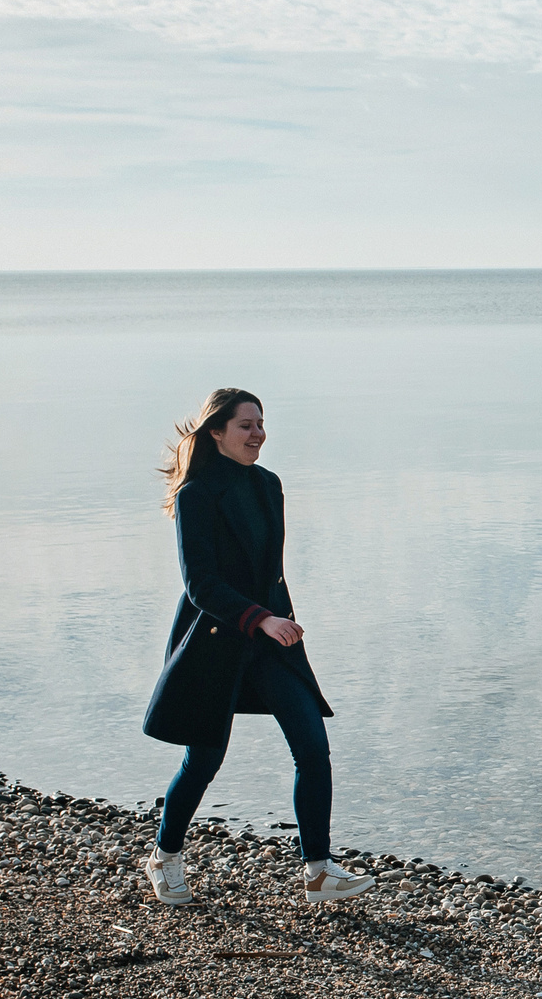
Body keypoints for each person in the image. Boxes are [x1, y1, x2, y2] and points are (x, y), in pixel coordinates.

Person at [141, 387, 377, 906]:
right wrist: (260, 619)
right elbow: (200, 583)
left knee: (313, 748)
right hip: (215, 642)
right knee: (204, 759)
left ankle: (319, 871)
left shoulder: (269, 485)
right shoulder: (196, 495)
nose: (258, 433)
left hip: (271, 641)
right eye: (246, 425)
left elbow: (270, 571)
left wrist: (282, 623)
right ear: (217, 433)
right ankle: (165, 856)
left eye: (261, 423)